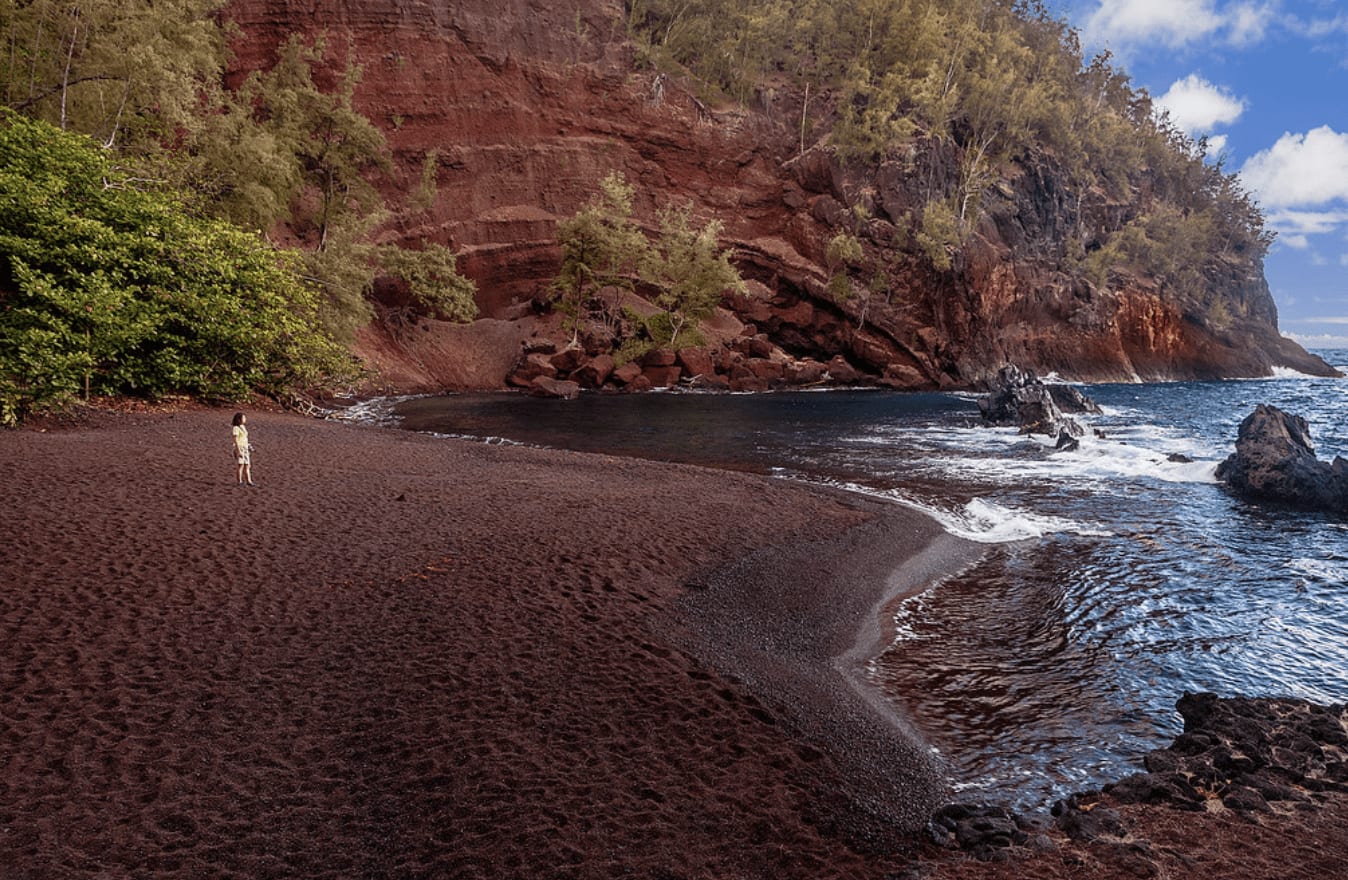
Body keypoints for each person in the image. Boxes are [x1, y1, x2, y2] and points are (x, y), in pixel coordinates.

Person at [232, 412, 256, 486]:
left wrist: (248, 446)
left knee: (247, 465)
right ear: (239, 419)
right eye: (243, 418)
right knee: (241, 465)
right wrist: (238, 450)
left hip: (245, 447)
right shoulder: (236, 428)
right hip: (240, 447)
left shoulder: (243, 427)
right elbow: (235, 439)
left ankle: (249, 481)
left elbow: (245, 438)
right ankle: (239, 481)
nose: (245, 419)